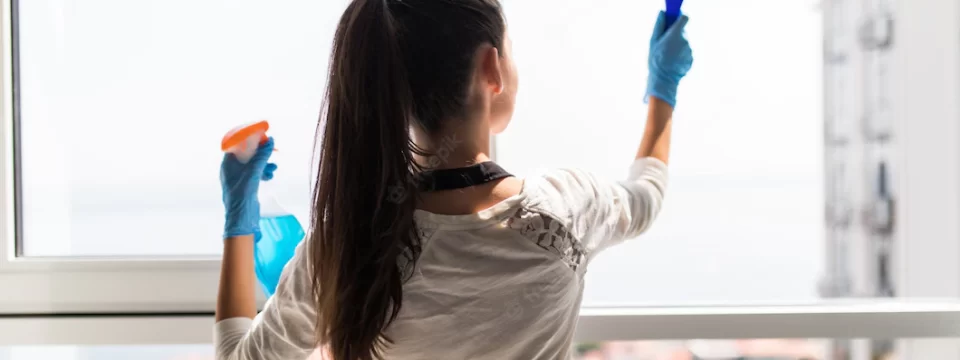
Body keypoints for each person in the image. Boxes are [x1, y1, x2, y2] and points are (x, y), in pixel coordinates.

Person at [214, 0, 693, 359]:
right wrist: (662, 88)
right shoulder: (566, 209)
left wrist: (239, 219)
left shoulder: (347, 246)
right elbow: (645, 195)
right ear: (491, 68)